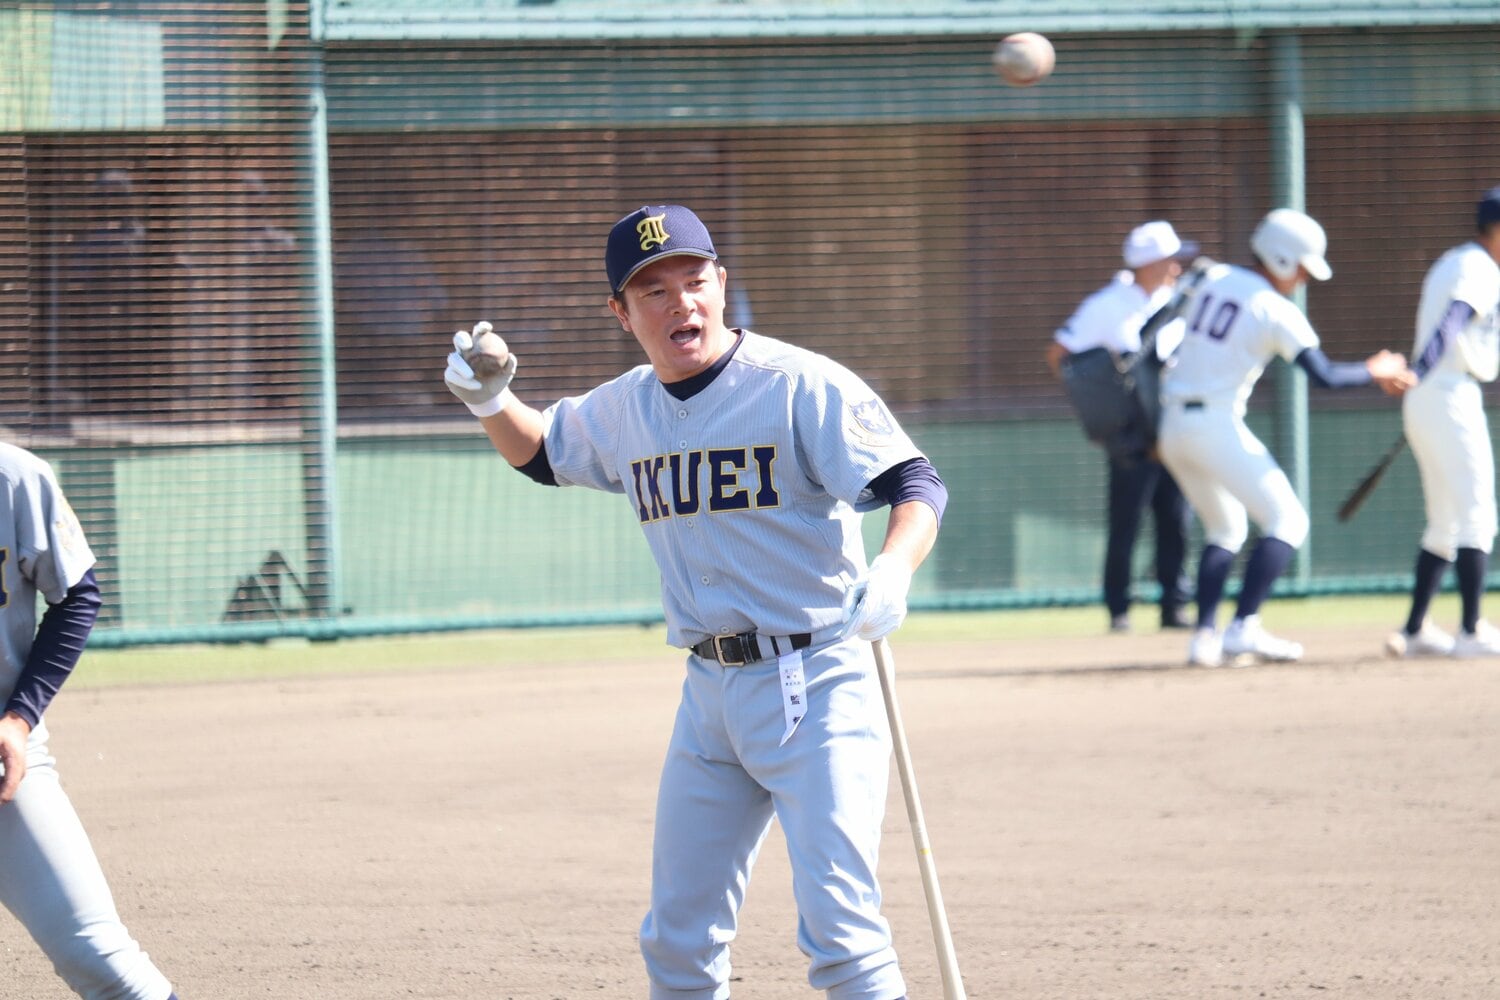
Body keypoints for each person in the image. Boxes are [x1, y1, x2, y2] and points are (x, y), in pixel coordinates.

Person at [442, 204, 946, 1000]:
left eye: (694, 279)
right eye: (653, 291)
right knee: (679, 939)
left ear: (721, 283)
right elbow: (543, 453)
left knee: (841, 935)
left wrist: (893, 569)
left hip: (818, 684)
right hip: (709, 695)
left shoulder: (796, 383)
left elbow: (914, 483)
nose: (681, 302)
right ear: (621, 312)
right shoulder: (627, 406)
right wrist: (489, 402)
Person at [1155, 208, 1413, 667]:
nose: (1304, 279)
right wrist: (1377, 370)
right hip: (1213, 423)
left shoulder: (1213, 278)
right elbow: (1325, 376)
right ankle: (1243, 627)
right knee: (1289, 521)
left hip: (1172, 423)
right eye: (1301, 268)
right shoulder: (1274, 307)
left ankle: (1205, 639)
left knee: (1226, 527)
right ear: (1279, 258)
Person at [0, 442, 182, 1000]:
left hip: (4, 764)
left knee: (97, 954)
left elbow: (77, 594)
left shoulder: (16, 477)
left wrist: (20, 717)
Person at [1047, 221, 1197, 633]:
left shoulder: (1180, 302)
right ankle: (1119, 610)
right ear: (1149, 263)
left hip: (1174, 429)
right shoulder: (1106, 305)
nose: (1176, 268)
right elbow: (1060, 354)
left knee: (1177, 520)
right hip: (1132, 435)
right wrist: (1104, 411)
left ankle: (1174, 605)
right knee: (1126, 522)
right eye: (1170, 260)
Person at [1386, 186, 1500, 659]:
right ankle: (1472, 631)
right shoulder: (1478, 268)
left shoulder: (1457, 261)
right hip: (1447, 387)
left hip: (1433, 392)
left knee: (1446, 520)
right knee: (1478, 510)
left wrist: (1420, 375)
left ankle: (1415, 630)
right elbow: (1453, 320)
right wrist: (1424, 367)